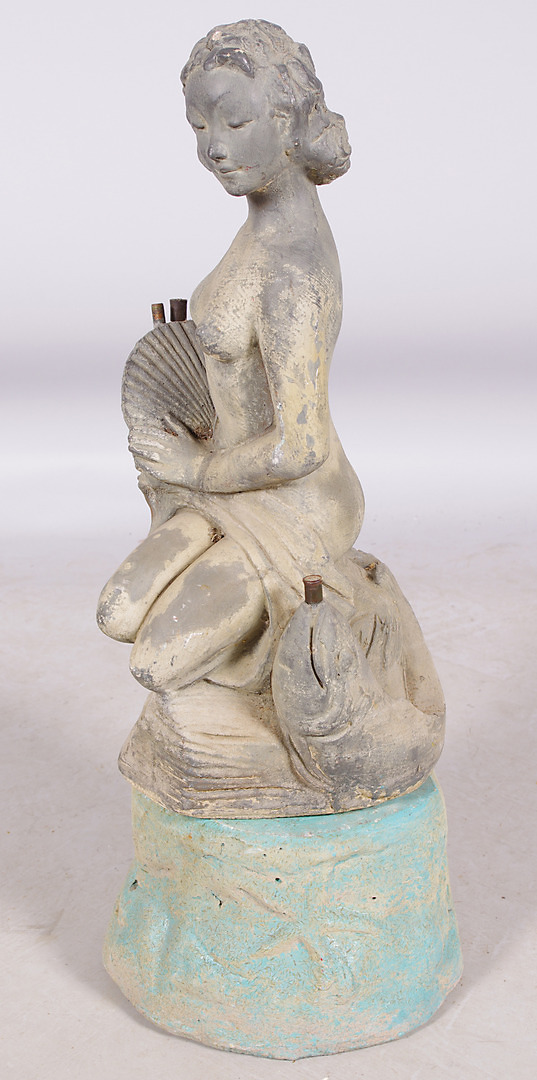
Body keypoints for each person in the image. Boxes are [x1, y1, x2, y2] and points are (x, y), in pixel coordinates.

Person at [97, 20, 366, 695]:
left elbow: (301, 446)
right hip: (232, 481)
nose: (214, 146)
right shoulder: (259, 230)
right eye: (198, 127)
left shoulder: (292, 272)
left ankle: (316, 643)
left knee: (155, 661)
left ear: (287, 120)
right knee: (115, 612)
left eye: (235, 122)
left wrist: (198, 469)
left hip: (297, 499)